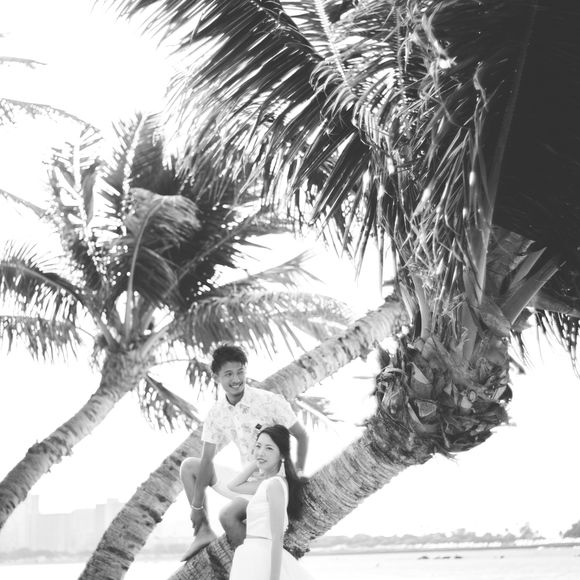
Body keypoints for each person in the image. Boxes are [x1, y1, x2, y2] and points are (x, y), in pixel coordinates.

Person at [179, 344, 309, 560]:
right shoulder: (217, 413)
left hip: (272, 482)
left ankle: (259, 564)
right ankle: (203, 532)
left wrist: (299, 473)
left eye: (240, 372)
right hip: (243, 482)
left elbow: (302, 436)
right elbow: (207, 461)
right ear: (216, 377)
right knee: (189, 467)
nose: (236, 379)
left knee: (228, 515)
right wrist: (197, 507)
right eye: (229, 374)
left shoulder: (268, 401)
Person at [228, 424, 315, 580]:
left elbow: (277, 537)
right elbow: (233, 485)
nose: (261, 451)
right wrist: (257, 460)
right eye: (258, 446)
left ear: (282, 455)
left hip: (262, 556)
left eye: (269, 448)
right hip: (252, 555)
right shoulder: (267, 484)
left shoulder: (275, 485)